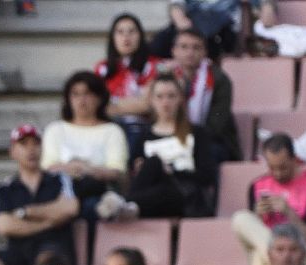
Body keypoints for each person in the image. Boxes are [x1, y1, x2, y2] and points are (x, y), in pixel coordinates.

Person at [0, 125, 78, 265]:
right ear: (12, 152)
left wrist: (25, 212)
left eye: (36, 144)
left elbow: (70, 208)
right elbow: (5, 226)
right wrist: (50, 221)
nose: (31, 149)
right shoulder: (4, 189)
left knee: (47, 260)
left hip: (55, 250)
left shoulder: (59, 179)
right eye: (24, 144)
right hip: (18, 253)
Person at [115, 73, 215, 221]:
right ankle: (130, 206)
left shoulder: (197, 133)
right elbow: (135, 174)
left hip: (185, 197)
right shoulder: (145, 135)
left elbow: (207, 175)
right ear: (151, 100)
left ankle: (125, 205)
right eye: (160, 97)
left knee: (163, 181)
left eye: (171, 96)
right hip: (152, 198)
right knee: (153, 162)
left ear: (180, 99)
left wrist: (171, 170)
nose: (165, 102)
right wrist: (139, 168)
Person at [232, 132, 306, 265]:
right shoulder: (257, 186)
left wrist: (288, 212)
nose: (278, 173)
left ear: (294, 159)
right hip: (269, 252)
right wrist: (258, 216)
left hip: (304, 254)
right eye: (272, 168)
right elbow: (253, 233)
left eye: (283, 167)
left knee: (259, 257)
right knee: (241, 218)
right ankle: (276, 259)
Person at [43, 72, 128, 226]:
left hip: (97, 192)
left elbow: (116, 170)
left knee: (91, 204)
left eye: (87, 94)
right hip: (60, 192)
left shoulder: (112, 131)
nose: (81, 100)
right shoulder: (55, 129)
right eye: (75, 94)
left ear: (100, 98)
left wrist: (85, 169)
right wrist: (73, 168)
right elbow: (48, 167)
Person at [168, 27, 239, 165]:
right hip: (172, 137)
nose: (190, 52)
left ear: (205, 52)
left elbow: (216, 125)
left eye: (196, 47)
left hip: (211, 141)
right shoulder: (165, 77)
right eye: (184, 47)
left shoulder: (220, 79)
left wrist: (189, 140)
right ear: (174, 51)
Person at [93, 13, 159, 155]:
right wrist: (133, 104)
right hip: (108, 128)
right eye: (120, 32)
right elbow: (97, 105)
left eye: (131, 31)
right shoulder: (102, 68)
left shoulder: (152, 65)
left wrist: (113, 104)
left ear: (140, 36)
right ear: (113, 38)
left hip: (140, 128)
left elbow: (147, 105)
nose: (126, 37)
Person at [152, 0, 278, 59]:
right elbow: (176, 7)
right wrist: (183, 24)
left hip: (223, 31)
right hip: (192, 27)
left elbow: (266, 4)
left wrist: (267, 8)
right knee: (157, 46)